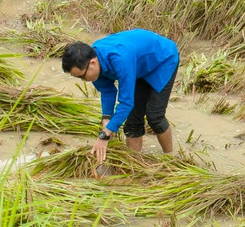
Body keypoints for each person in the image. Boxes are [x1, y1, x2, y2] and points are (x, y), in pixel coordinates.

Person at [62, 30, 179, 163]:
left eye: (82, 76)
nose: (84, 80)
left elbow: (126, 102)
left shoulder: (120, 60)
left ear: (93, 63)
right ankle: (134, 164)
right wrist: (107, 118)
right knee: (133, 121)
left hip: (162, 60)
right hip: (137, 65)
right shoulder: (93, 64)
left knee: (155, 116)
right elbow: (108, 91)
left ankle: (170, 158)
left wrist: (105, 134)